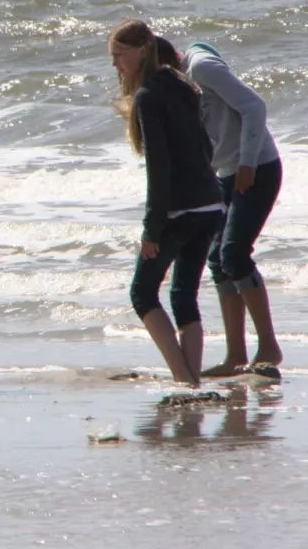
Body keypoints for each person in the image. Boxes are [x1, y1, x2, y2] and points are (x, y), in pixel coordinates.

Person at [109, 19, 224, 387]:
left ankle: (182, 377)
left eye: (119, 55)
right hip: (210, 205)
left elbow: (160, 171)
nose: (116, 64)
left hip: (180, 211)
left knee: (142, 293)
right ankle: (191, 384)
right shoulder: (182, 84)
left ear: (142, 51)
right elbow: (207, 148)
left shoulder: (148, 97)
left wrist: (151, 229)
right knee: (183, 295)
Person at [176, 40, 285, 377]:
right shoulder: (177, 85)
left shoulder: (201, 67)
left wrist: (248, 163)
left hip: (258, 167)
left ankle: (268, 347)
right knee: (218, 261)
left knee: (235, 254)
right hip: (226, 174)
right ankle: (235, 356)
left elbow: (254, 106)